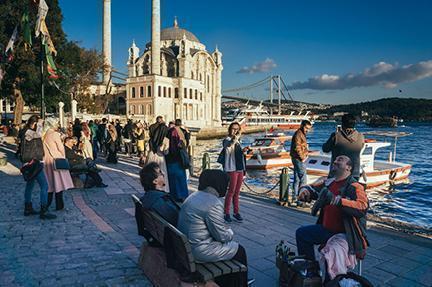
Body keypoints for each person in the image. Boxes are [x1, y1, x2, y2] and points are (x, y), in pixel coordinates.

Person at [177, 169, 249, 287]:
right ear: (219, 184)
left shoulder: (194, 195)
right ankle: (240, 284)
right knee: (239, 250)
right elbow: (222, 236)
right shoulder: (213, 202)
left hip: (187, 248)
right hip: (199, 251)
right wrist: (230, 232)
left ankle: (228, 282)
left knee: (231, 248)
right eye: (226, 185)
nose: (226, 188)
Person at [295, 155, 369, 261]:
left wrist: (336, 200)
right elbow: (311, 188)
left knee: (329, 253)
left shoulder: (355, 186)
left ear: (349, 167)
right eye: (335, 159)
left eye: (340, 160)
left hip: (346, 234)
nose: (335, 161)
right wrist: (304, 190)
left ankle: (326, 274)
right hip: (326, 230)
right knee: (301, 233)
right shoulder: (329, 183)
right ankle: (311, 270)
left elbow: (362, 207)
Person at [20, 115, 56, 219]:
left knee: (30, 186)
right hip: (33, 162)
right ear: (34, 123)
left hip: (30, 162)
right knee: (44, 186)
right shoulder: (28, 132)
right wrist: (40, 124)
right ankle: (43, 210)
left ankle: (28, 208)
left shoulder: (26, 131)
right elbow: (38, 134)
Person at [43, 118, 74, 211]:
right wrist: (63, 158)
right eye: (56, 123)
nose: (57, 125)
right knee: (58, 183)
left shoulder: (44, 134)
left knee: (49, 184)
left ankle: (46, 204)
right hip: (56, 160)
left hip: (47, 160)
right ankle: (59, 205)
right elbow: (61, 148)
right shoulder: (55, 134)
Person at [218, 122, 246, 223]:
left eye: (237, 129)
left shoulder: (238, 141)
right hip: (231, 168)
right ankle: (226, 213)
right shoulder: (227, 140)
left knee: (237, 193)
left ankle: (236, 212)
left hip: (239, 168)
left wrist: (244, 150)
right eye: (233, 129)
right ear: (230, 129)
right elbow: (229, 145)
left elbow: (237, 152)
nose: (235, 131)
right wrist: (235, 137)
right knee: (231, 191)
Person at [138, 162, 180, 230]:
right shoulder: (160, 201)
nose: (163, 173)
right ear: (155, 181)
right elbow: (177, 219)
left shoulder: (148, 197)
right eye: (160, 173)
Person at [322, 114, 364, 180]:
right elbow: (361, 147)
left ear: (342, 124)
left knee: (333, 190)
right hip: (354, 173)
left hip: (337, 174)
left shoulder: (335, 136)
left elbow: (325, 149)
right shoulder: (361, 136)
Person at [166, 119, 190, 202]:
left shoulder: (171, 131)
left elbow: (169, 145)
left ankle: (175, 195)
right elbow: (187, 142)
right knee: (181, 178)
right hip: (181, 157)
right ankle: (183, 194)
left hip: (172, 157)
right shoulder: (183, 131)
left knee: (173, 178)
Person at [290, 120, 312, 203]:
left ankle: (295, 197)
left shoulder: (300, 133)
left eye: (309, 129)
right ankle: (301, 200)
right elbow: (297, 147)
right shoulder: (299, 134)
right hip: (299, 159)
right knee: (303, 180)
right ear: (301, 125)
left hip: (296, 158)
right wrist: (303, 157)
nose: (307, 130)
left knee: (297, 179)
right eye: (306, 128)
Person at [146, 116, 170, 192]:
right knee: (162, 174)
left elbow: (147, 149)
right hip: (160, 158)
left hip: (151, 156)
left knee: (151, 175)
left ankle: (150, 189)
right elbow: (166, 152)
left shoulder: (151, 140)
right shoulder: (165, 140)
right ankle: (162, 189)